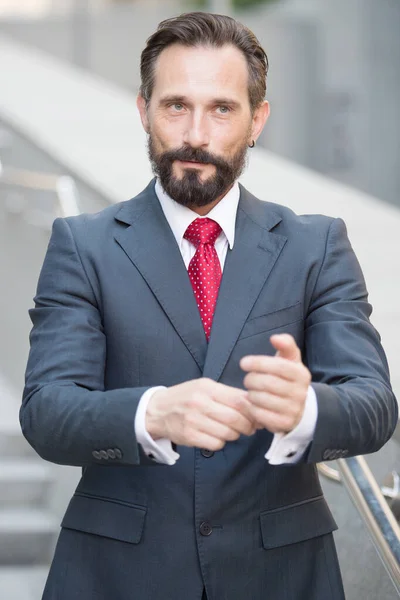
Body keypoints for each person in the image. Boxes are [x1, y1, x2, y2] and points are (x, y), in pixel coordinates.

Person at [21, 12, 397, 600]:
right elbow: (47, 411)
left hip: (282, 578)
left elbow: (374, 404)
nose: (196, 133)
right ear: (144, 111)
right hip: (116, 578)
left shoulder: (316, 245)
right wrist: (153, 414)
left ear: (257, 121)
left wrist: (304, 410)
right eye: (176, 106)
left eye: (222, 108)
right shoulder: (83, 244)